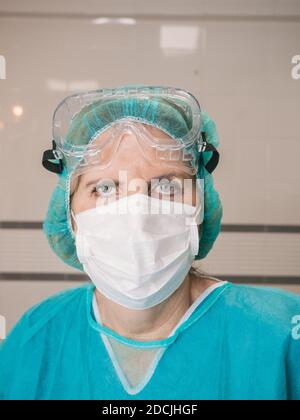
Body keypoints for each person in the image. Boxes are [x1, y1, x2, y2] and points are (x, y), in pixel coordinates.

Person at [0, 85, 299, 400]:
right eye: (104, 188)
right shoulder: (35, 340)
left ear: (200, 207)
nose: (137, 216)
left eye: (167, 186)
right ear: (70, 216)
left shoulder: (281, 337)